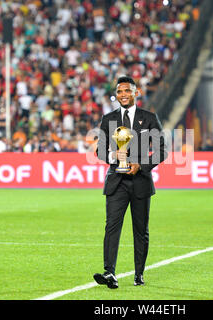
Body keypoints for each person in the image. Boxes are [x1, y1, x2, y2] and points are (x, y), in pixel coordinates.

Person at [94, 76, 168, 289]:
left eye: (127, 91)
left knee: (140, 230)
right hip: (116, 180)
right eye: (119, 92)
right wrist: (113, 157)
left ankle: (139, 274)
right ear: (116, 95)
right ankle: (109, 272)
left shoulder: (149, 118)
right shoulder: (108, 119)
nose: (123, 95)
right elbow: (100, 150)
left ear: (136, 93)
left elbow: (162, 150)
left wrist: (141, 165)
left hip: (140, 181)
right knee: (111, 227)